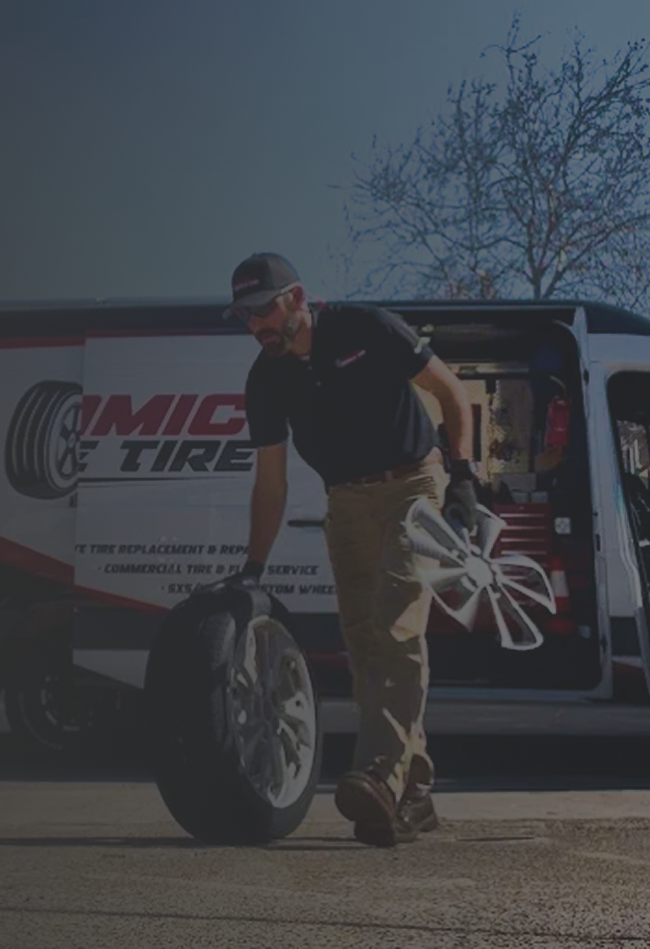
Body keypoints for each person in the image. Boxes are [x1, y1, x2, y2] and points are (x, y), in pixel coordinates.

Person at [220, 252, 478, 847]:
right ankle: (413, 795)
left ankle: (379, 778)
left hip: (415, 483)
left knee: (396, 627)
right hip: (347, 503)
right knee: (363, 643)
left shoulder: (366, 327)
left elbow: (450, 391)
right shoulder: (267, 378)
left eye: (262, 309)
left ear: (296, 299)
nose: (255, 325)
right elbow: (271, 484)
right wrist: (252, 569)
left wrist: (463, 474)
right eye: (244, 317)